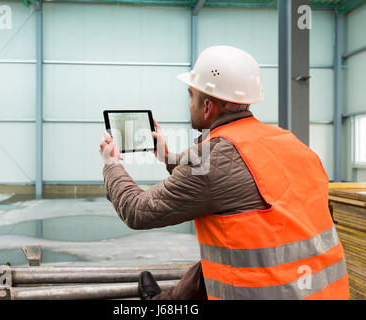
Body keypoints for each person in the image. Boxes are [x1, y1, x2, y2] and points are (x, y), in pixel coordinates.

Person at [99, 46, 349, 300]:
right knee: (215, 259)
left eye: (191, 96)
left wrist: (112, 166)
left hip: (267, 292)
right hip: (325, 289)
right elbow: (231, 177)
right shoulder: (288, 142)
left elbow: (138, 211)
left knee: (224, 258)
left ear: (207, 107)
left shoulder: (212, 160)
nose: (189, 104)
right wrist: (168, 157)